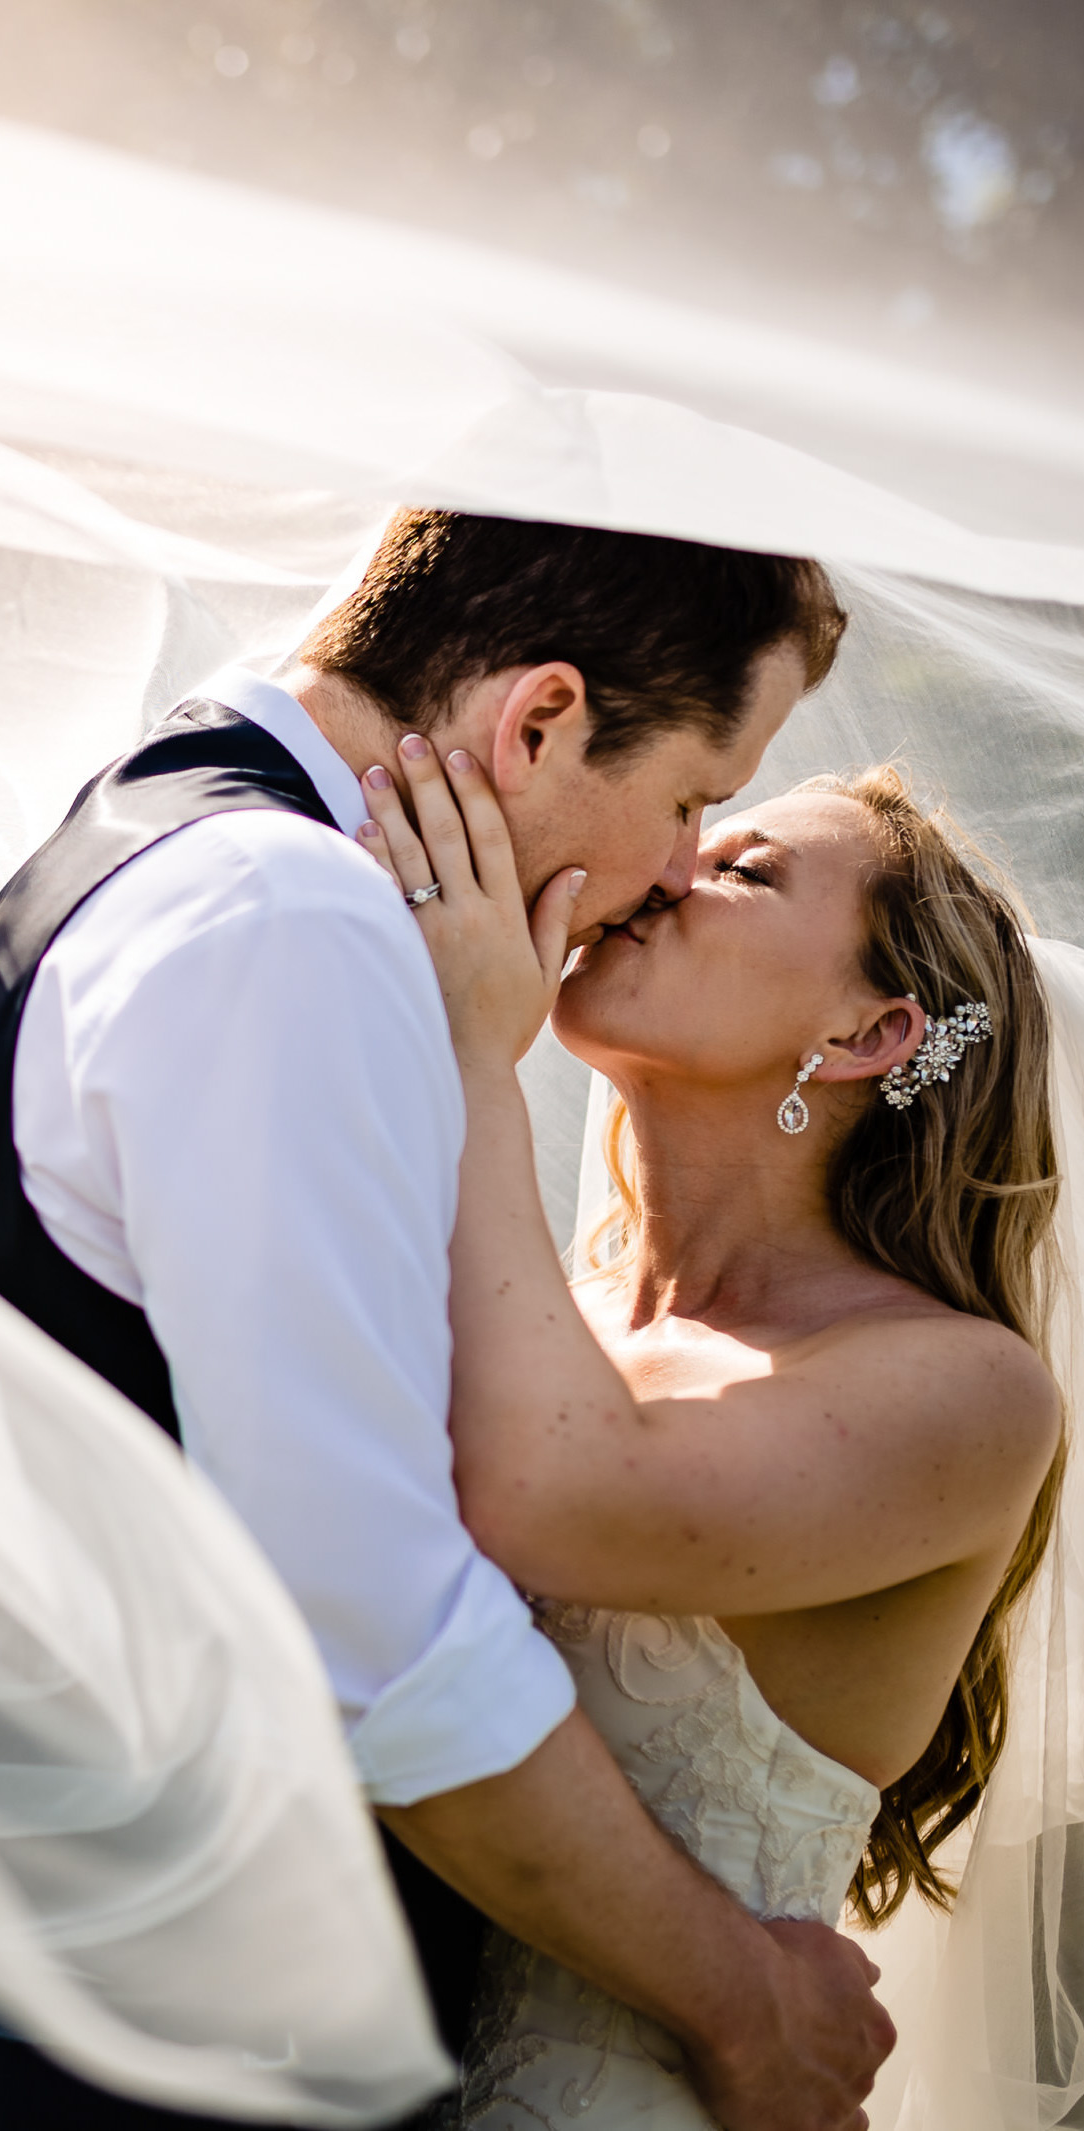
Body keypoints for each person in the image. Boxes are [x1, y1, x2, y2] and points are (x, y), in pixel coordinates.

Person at [0, 509, 891, 2131]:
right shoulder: (284, 923)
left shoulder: (161, 821)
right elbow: (361, 1615)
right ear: (537, 723)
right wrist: (747, 1998)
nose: (674, 868)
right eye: (689, 801)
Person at [356, 746, 1064, 2131]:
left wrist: (470, 1058)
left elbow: (545, 1501)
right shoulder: (544, 1316)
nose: (666, 870)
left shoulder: (969, 1396)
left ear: (868, 1037)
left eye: (738, 868)